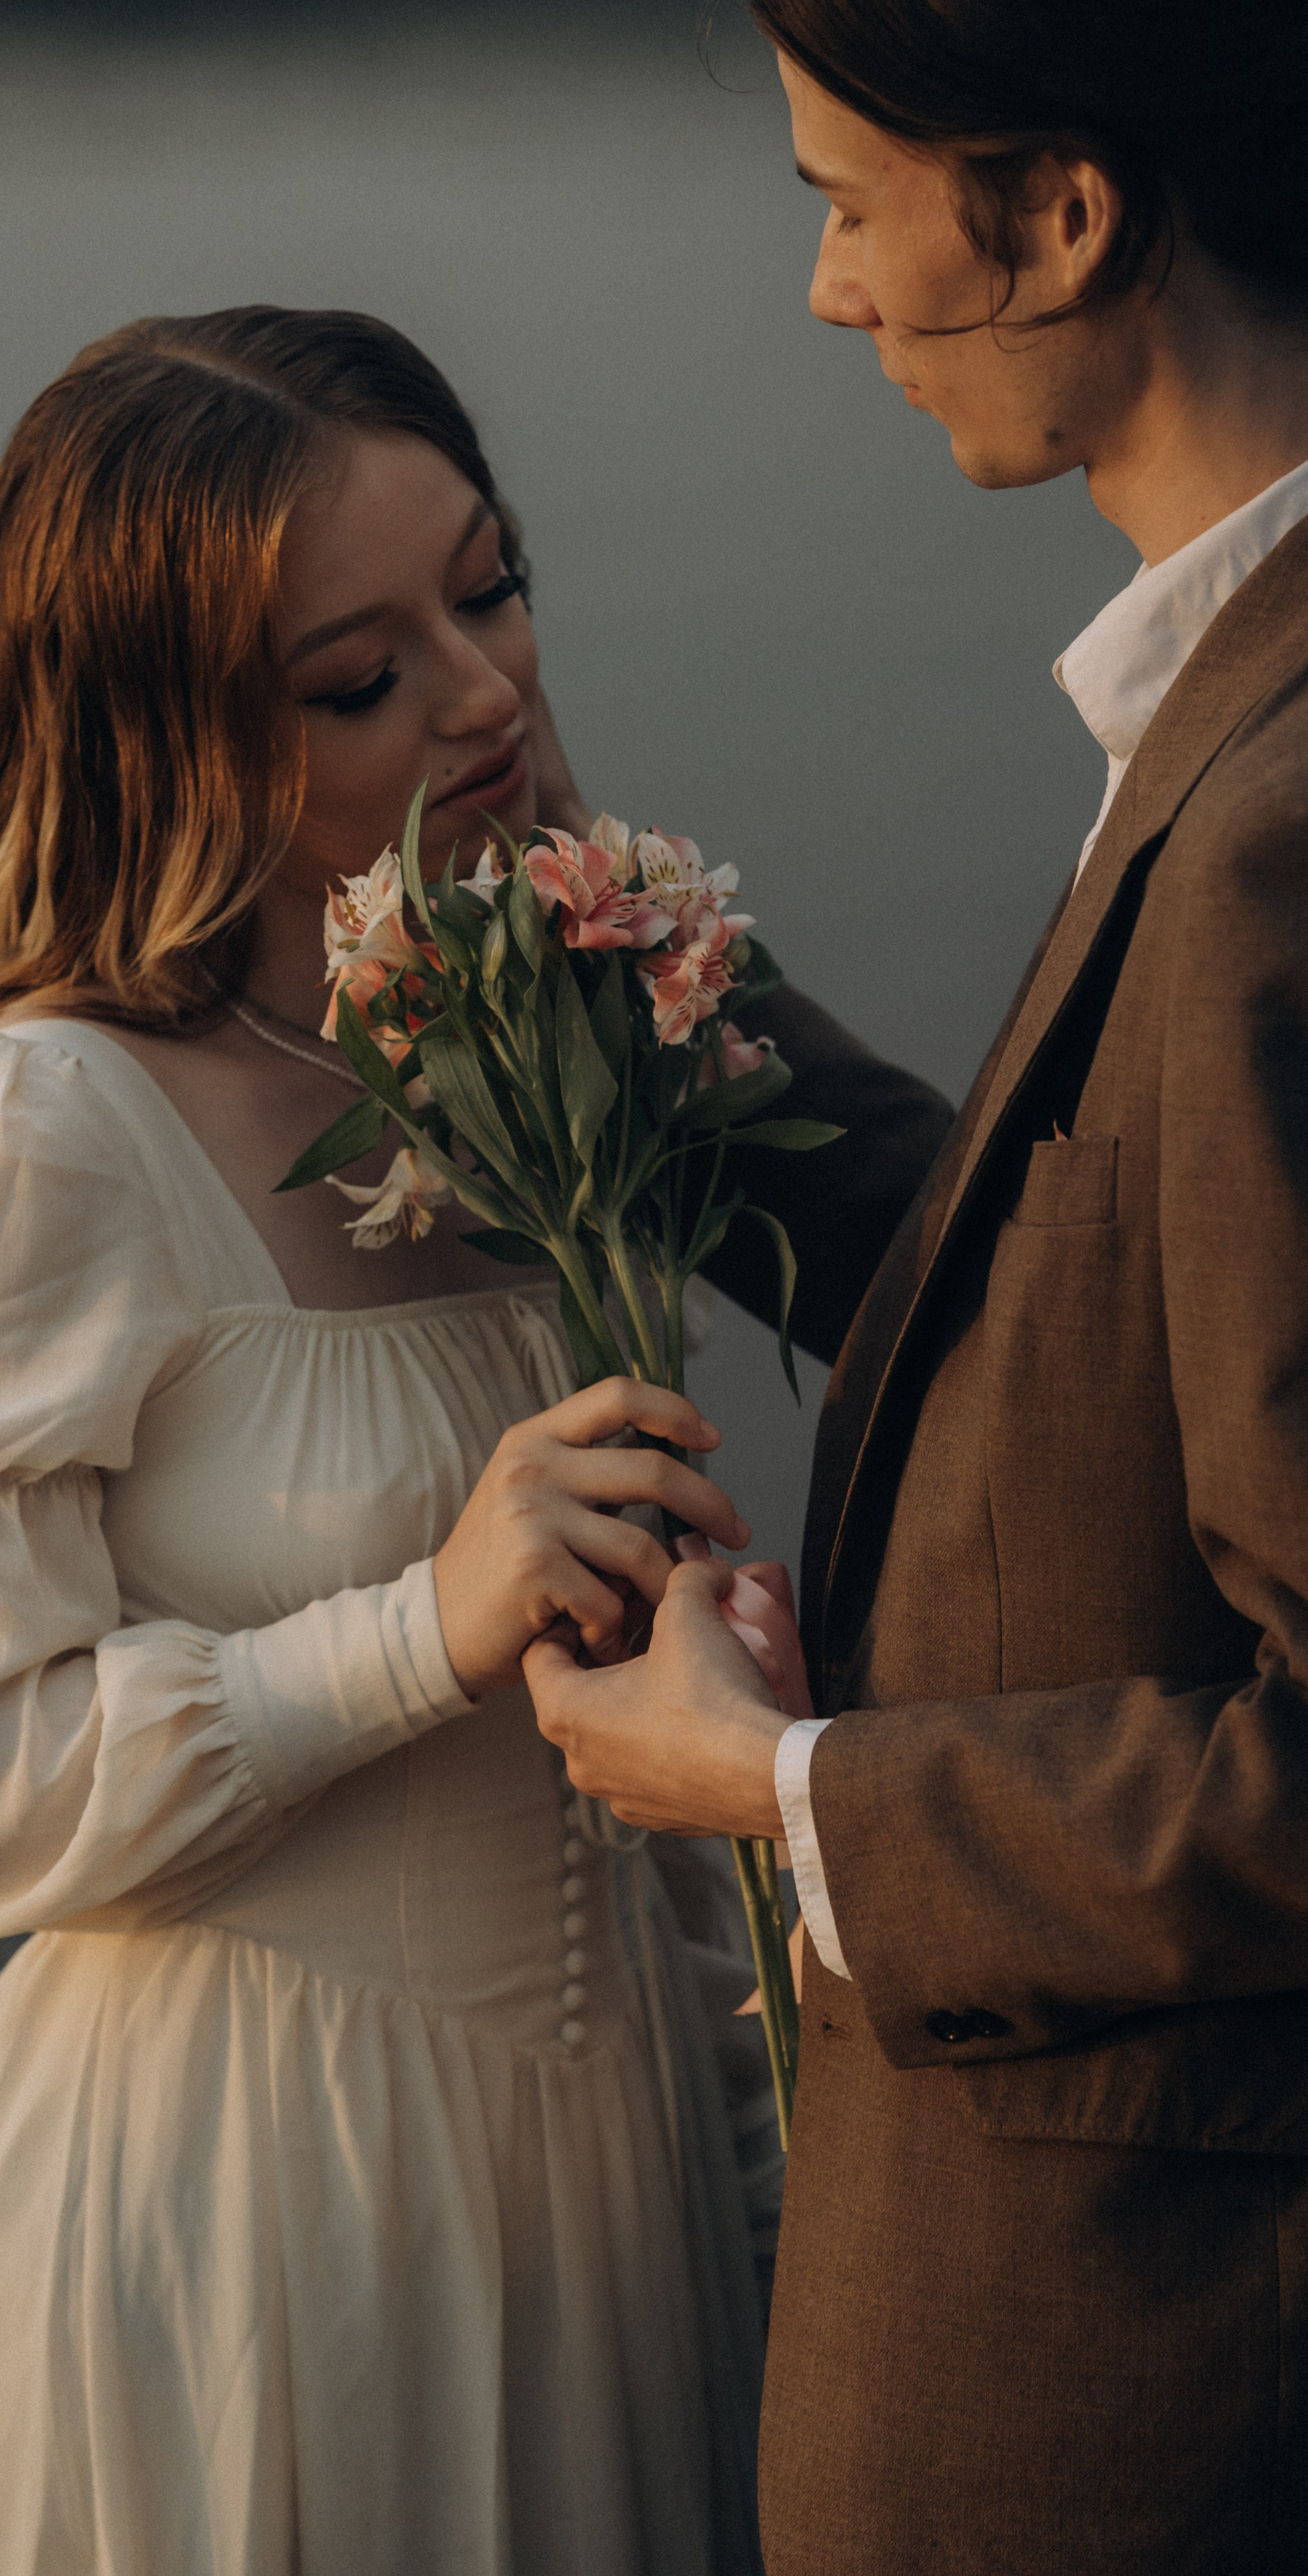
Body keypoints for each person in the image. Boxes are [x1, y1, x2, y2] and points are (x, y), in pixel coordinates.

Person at [0, 307, 771, 2576]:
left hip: (609, 2217)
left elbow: (618, 1753)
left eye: (487, 590)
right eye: (358, 679)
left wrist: (760, 2155)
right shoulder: (38, 1127)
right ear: (171, 737)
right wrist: (415, 1629)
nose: (485, 692)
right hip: (233, 2234)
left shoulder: (547, 1060)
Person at [527, 6, 1308, 2569]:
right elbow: (1093, 1287)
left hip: (1139, 2412)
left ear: (1066, 215)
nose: (832, 294)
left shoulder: (1286, 818)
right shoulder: (1229, 710)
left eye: (847, 202)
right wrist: (594, 932)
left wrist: (778, 1789)